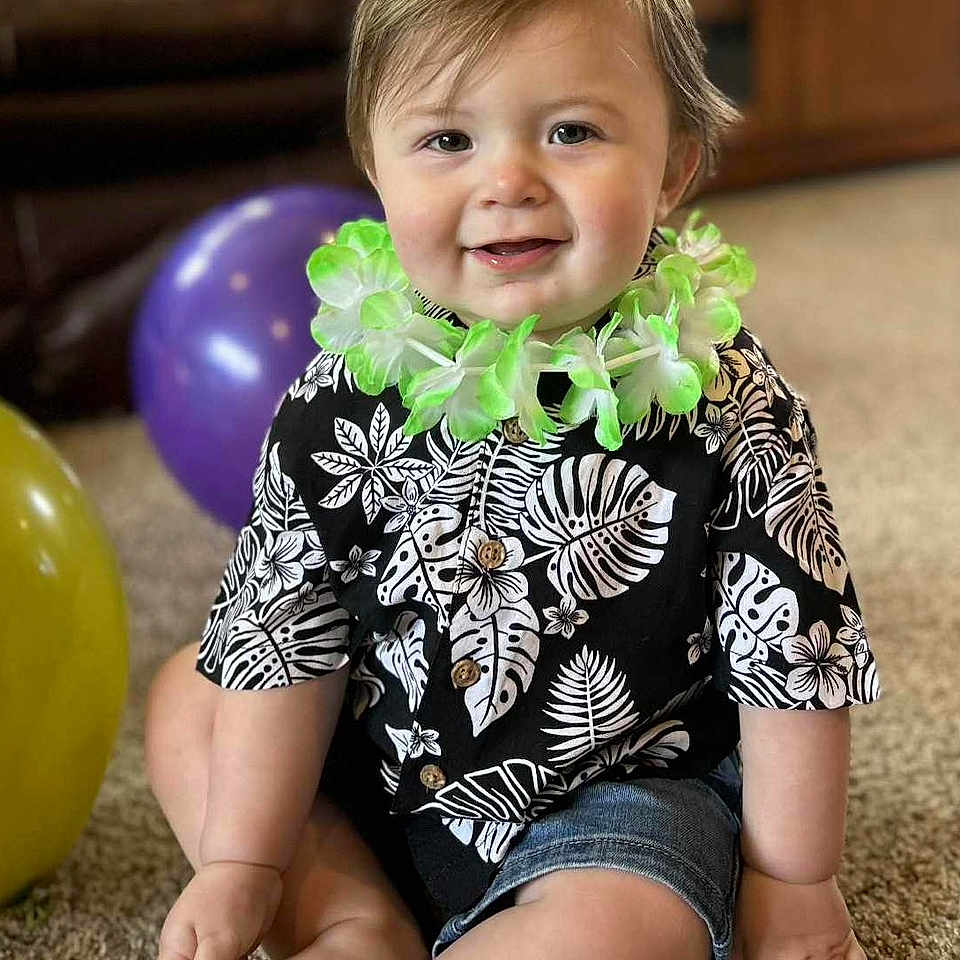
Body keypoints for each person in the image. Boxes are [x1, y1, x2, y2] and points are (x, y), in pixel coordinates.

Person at [144, 1, 883, 958]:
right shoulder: (339, 394)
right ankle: (348, 914)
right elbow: (287, 634)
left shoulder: (728, 400)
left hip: (608, 810)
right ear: (374, 164)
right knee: (195, 693)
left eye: (571, 132)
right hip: (372, 763)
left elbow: (794, 655)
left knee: (619, 925)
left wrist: (795, 880)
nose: (507, 182)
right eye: (447, 138)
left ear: (674, 167)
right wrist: (242, 862)